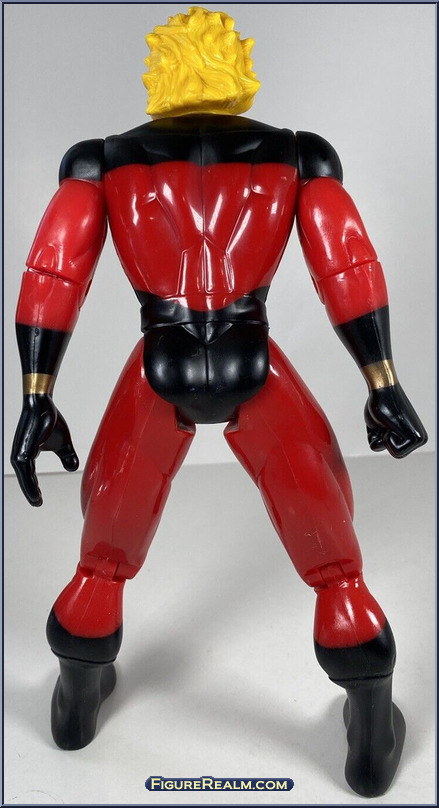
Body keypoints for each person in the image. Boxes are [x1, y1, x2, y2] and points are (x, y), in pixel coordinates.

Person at [11, 7, 427, 797]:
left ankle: (74, 703)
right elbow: (347, 266)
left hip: (158, 368)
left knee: (102, 556)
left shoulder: (102, 162)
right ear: (238, 68)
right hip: (251, 362)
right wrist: (381, 381)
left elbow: (54, 275)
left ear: (159, 71)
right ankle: (371, 732)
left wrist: (38, 396)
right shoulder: (297, 157)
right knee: (334, 566)